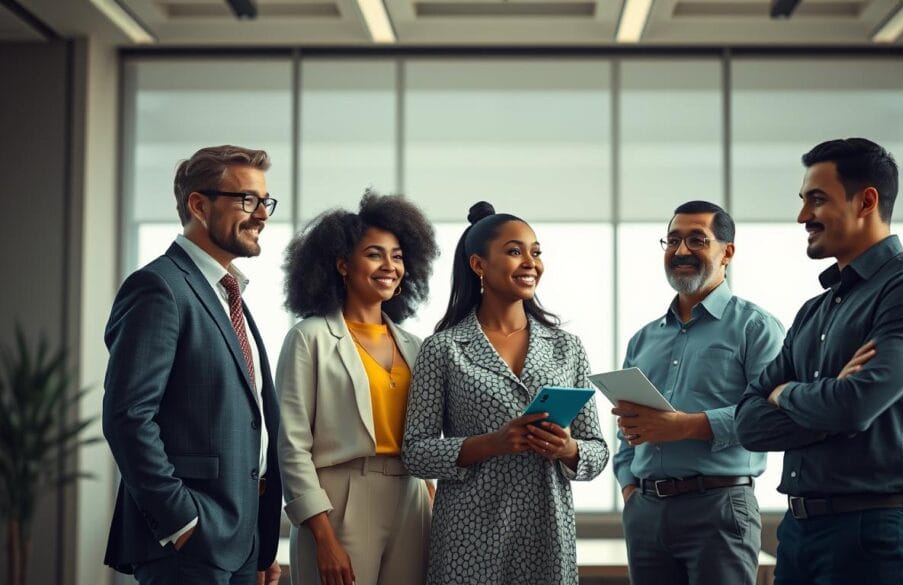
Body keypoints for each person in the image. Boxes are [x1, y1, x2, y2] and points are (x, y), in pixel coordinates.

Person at [735, 138, 903, 584]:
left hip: (870, 533)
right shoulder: (814, 310)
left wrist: (785, 393)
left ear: (866, 200)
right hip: (797, 532)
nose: (802, 217)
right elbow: (748, 424)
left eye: (816, 200)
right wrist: (829, 400)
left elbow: (853, 405)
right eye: (803, 201)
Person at [401, 202, 610, 585]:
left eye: (536, 252)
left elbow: (597, 450)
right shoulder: (443, 348)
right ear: (478, 265)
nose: (531, 262)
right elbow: (416, 452)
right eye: (515, 251)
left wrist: (568, 449)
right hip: (468, 536)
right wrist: (493, 443)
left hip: (547, 534)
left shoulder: (568, 348)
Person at [102, 145, 282, 584]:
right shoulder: (158, 287)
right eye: (247, 200)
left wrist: (257, 541)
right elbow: (128, 417)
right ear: (199, 205)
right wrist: (183, 523)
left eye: (265, 201)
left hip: (240, 541)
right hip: (191, 541)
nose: (261, 214)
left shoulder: (228, 294)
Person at [611, 200, 784, 585]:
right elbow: (625, 426)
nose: (681, 251)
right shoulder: (644, 338)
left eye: (696, 240)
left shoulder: (757, 328)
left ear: (728, 253)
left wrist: (685, 426)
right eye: (672, 241)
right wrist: (629, 488)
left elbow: (771, 418)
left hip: (719, 508)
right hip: (646, 513)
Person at [276, 192, 440, 585]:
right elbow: (292, 445)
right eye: (374, 254)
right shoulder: (309, 338)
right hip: (340, 500)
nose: (389, 266)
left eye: (397, 256)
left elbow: (424, 435)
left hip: (412, 498)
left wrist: (432, 506)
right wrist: (323, 535)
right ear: (342, 265)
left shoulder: (415, 346)